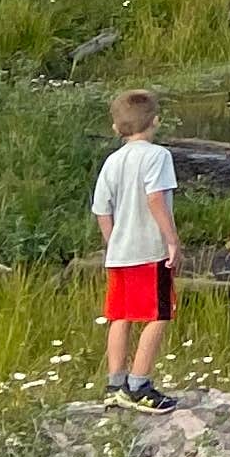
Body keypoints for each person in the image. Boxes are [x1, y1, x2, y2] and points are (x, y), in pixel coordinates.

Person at [91, 90, 180, 408]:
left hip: (120, 253)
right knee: (159, 314)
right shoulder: (158, 156)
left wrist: (113, 241)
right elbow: (155, 198)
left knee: (121, 315)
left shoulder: (112, 161)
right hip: (149, 251)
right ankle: (139, 385)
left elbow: (101, 208)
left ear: (117, 128)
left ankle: (115, 384)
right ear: (156, 121)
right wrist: (171, 240)